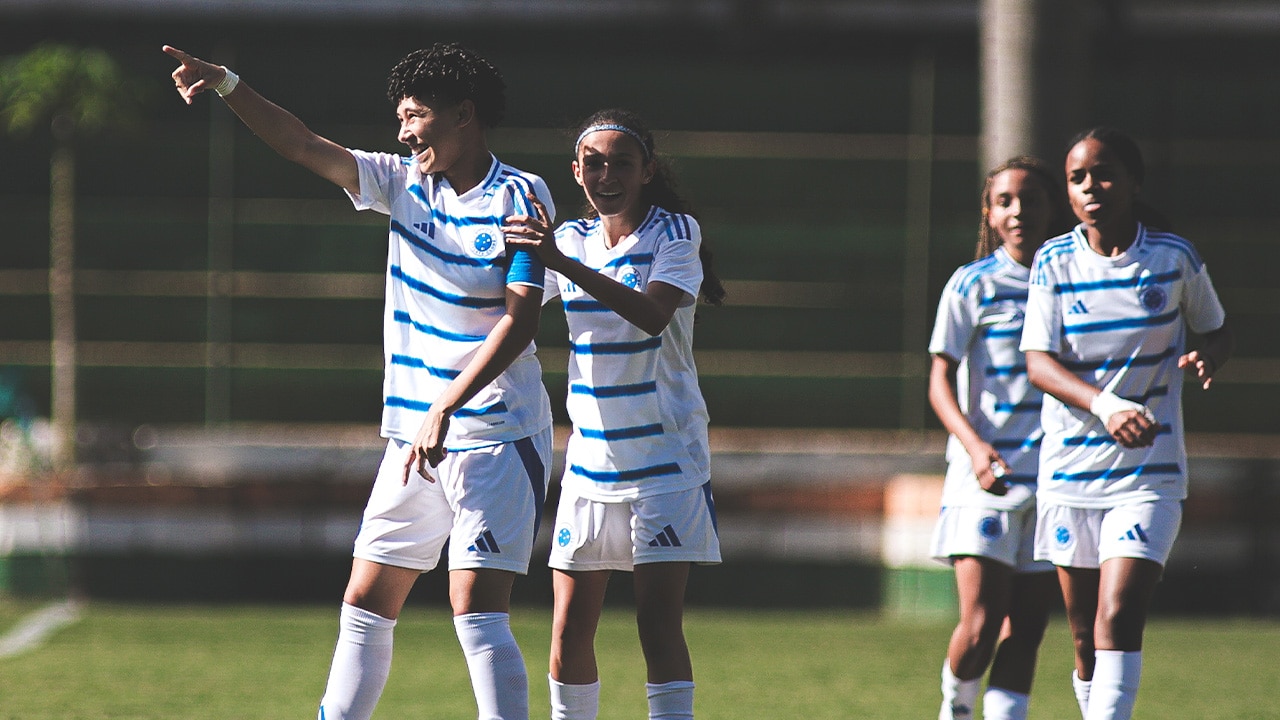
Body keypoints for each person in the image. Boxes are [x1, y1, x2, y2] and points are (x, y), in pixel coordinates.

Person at [165, 43, 556, 720]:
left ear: (464, 116)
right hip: (413, 436)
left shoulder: (519, 195)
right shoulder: (402, 183)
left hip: (496, 431)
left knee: (476, 609)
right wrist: (229, 83)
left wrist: (448, 403)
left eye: (416, 116)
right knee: (366, 601)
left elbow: (520, 323)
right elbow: (302, 144)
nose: (404, 132)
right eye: (400, 118)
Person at [502, 108, 725, 720]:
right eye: (593, 163)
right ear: (576, 172)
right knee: (569, 629)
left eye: (621, 162)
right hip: (591, 464)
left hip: (666, 462)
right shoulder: (569, 239)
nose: (607, 174)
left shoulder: (675, 232)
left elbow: (652, 317)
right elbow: (510, 307)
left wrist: (561, 265)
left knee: (657, 623)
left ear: (647, 169)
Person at [1019, 127, 1234, 720]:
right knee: (1085, 637)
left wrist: (1207, 356)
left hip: (1150, 475)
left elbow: (1216, 327)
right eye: (1077, 178)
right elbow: (1037, 361)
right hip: (1069, 474)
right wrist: (1107, 406)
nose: (1091, 187)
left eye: (1104, 173)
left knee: (1118, 613)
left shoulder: (1173, 258)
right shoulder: (1054, 261)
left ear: (1134, 182)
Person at [927, 157, 1068, 720]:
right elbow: (939, 379)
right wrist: (975, 448)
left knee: (1028, 628)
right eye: (1005, 200)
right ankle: (956, 708)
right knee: (981, 625)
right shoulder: (973, 283)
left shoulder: (1072, 281)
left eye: (1030, 199)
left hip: (1056, 476)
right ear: (988, 213)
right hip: (987, 475)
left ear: (1050, 208)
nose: (1018, 211)